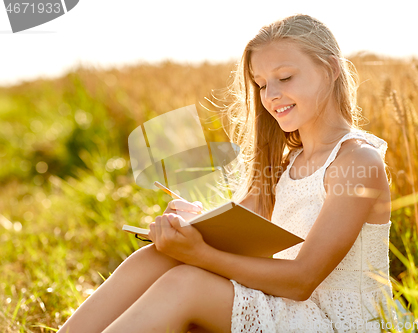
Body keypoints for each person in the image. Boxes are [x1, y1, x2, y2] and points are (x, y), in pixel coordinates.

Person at [58, 14, 400, 333]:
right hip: (289, 306)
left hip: (343, 322)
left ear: (330, 69)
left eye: (285, 77)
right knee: (159, 255)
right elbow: (243, 236)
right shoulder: (284, 162)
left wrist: (200, 254)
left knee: (186, 282)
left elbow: (302, 280)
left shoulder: (357, 162)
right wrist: (196, 224)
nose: (272, 95)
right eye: (261, 83)